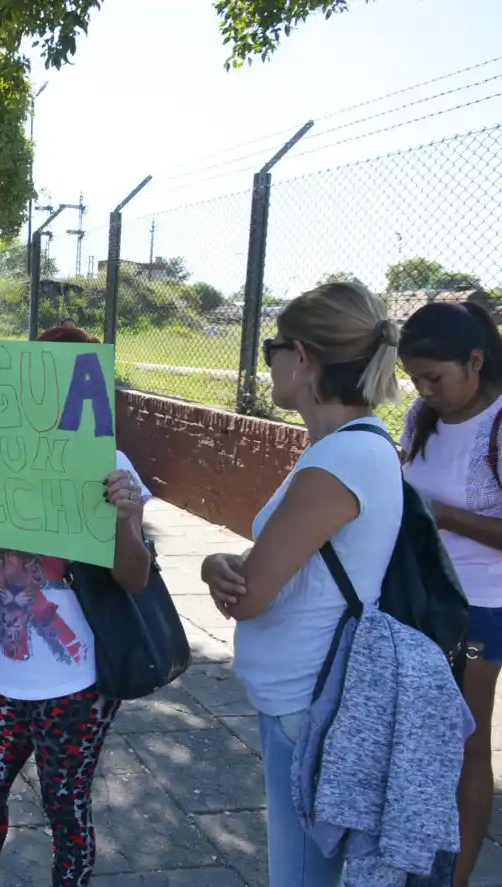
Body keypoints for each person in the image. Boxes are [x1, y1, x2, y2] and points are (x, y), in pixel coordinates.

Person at [201, 281, 403, 887]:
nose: (269, 362)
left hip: (308, 701)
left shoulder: (338, 461)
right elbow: (283, 563)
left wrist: (221, 571)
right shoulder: (344, 448)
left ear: (305, 356)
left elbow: (249, 595)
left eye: (273, 348)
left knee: (302, 875)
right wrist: (220, 563)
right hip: (308, 693)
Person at [0, 324, 154, 887]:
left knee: (65, 803)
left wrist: (124, 520)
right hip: (7, 673)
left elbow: (134, 577)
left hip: (77, 682)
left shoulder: (110, 463)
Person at [398, 299, 502, 887]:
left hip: (482, 609)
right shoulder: (424, 415)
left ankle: (456, 878)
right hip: (419, 598)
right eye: (415, 378)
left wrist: (441, 515)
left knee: (466, 741)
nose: (424, 390)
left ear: (476, 361)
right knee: (417, 737)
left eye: (434, 377)